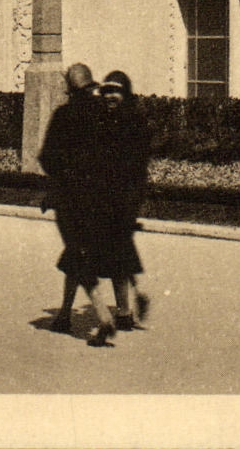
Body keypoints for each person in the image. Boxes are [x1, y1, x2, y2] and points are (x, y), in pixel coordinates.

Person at [37, 62, 120, 346]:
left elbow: (47, 158)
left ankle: (103, 316)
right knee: (78, 253)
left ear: (69, 87)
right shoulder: (106, 113)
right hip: (103, 198)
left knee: (77, 253)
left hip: (72, 199)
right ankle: (63, 315)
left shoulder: (64, 114)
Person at [99, 70, 152, 331]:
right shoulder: (102, 121)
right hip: (106, 196)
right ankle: (128, 307)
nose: (110, 96)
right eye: (106, 91)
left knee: (116, 254)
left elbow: (137, 166)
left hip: (122, 197)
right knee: (118, 254)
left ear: (125, 94)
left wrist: (131, 201)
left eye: (115, 92)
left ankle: (124, 312)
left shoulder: (133, 122)